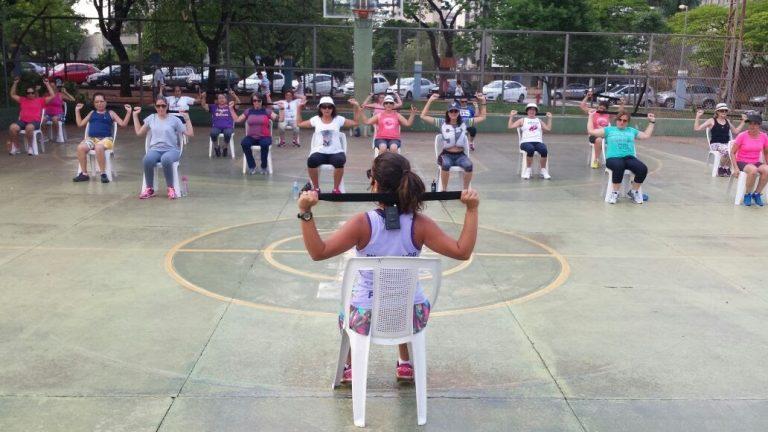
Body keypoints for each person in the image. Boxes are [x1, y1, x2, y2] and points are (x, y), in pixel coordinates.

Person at [296, 152, 479, 383]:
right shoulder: (421, 224)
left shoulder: (362, 223)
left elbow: (318, 252)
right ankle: (405, 363)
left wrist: (305, 212)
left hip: (365, 317)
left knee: (356, 303)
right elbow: (462, 251)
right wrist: (472, 209)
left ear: (376, 184)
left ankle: (351, 366)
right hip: (412, 316)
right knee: (399, 296)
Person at [420, 92, 488, 191]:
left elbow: (483, 117)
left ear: (459, 112)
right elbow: (423, 116)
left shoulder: (465, 122)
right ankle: (444, 190)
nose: (453, 113)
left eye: (456, 111)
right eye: (451, 111)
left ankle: (465, 190)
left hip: (460, 155)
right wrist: (430, 100)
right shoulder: (442, 122)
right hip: (446, 154)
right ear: (448, 112)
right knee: (446, 165)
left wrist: (483, 102)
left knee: (469, 165)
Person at [587, 109, 656, 204]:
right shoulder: (609, 130)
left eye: (625, 120)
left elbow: (646, 135)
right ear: (616, 120)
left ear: (628, 122)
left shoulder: (631, 131)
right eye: (620, 119)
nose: (622, 122)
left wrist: (652, 122)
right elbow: (591, 131)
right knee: (619, 166)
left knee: (642, 169)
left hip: (629, 157)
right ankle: (615, 193)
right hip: (613, 158)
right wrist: (590, 116)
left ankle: (633, 191)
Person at [133, 96, 194, 199]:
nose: (161, 108)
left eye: (163, 106)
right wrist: (135, 116)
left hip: (171, 150)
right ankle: (149, 189)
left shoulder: (174, 119)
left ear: (167, 106)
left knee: (166, 159)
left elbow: (190, 133)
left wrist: (187, 119)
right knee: (147, 160)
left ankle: (171, 188)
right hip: (155, 149)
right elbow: (139, 132)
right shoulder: (151, 118)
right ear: (155, 107)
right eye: (158, 106)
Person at [297, 96, 361, 193]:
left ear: (333, 108)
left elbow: (356, 123)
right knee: (311, 161)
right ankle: (316, 188)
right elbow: (299, 124)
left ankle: (336, 188)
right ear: (320, 108)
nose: (327, 109)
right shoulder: (316, 119)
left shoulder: (338, 119)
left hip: (335, 151)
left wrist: (356, 107)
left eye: (329, 107)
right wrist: (298, 108)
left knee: (340, 161)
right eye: (324, 107)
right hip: (320, 151)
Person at [72, 94, 132, 183]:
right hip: (92, 139)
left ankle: (103, 173)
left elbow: (123, 124)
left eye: (101, 101)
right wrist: (77, 111)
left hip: (106, 139)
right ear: (94, 103)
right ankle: (84, 174)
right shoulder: (92, 113)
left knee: (99, 147)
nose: (99, 104)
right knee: (80, 147)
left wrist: (129, 112)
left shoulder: (111, 113)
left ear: (105, 102)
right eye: (96, 102)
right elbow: (80, 124)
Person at [694, 103, 746, 177]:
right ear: (717, 112)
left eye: (725, 111)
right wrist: (697, 116)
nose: (724, 112)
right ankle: (721, 168)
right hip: (715, 144)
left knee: (735, 150)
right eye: (721, 111)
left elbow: (736, 131)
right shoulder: (711, 120)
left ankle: (726, 168)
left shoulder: (727, 121)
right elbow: (697, 128)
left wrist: (743, 121)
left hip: (726, 144)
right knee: (729, 151)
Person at [7, 77, 56, 155]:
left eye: (32, 92)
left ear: (35, 93)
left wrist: (47, 84)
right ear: (26, 94)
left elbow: (53, 96)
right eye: (28, 93)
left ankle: (30, 147)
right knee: (12, 127)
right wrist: (15, 83)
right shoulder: (23, 100)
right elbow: (12, 94)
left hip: (35, 122)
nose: (30, 94)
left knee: (29, 127)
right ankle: (16, 147)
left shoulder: (40, 100)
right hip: (23, 121)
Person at [232, 94, 278, 175]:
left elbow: (279, 119)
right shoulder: (248, 111)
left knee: (264, 144)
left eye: (259, 100)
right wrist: (231, 109)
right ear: (252, 102)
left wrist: (282, 109)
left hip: (264, 137)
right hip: (251, 137)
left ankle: (264, 167)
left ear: (262, 101)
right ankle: (251, 166)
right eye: (254, 101)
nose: (256, 102)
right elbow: (237, 120)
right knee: (244, 143)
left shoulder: (267, 111)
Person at [730, 114, 768, 206]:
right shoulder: (742, 136)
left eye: (754, 124)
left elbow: (766, 152)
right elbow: (732, 152)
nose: (751, 126)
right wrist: (735, 168)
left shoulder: (764, 136)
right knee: (753, 170)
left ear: (759, 125)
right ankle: (747, 195)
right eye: (750, 124)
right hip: (742, 162)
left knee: (766, 170)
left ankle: (756, 194)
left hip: (755, 161)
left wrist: (767, 164)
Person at [580, 91, 624, 169]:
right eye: (600, 108)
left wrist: (622, 104)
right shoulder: (593, 112)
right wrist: (587, 97)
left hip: (605, 135)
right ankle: (596, 160)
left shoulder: (608, 114)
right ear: (598, 107)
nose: (601, 110)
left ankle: (615, 161)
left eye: (603, 109)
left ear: (606, 109)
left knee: (617, 139)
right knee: (599, 140)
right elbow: (582, 106)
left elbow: (619, 113)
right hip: (594, 135)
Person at [508, 103, 553, 180]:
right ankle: (528, 170)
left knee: (544, 149)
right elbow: (510, 126)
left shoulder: (539, 120)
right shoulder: (522, 120)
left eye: (533, 110)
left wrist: (550, 118)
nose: (532, 111)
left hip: (538, 142)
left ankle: (543, 170)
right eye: (530, 110)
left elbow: (548, 128)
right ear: (527, 111)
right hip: (525, 142)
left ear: (536, 112)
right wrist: (511, 116)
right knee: (530, 149)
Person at [200, 89, 241, 157]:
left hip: (228, 127)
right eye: (220, 98)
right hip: (216, 127)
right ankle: (216, 147)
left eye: (223, 98)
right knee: (213, 133)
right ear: (217, 100)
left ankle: (225, 147)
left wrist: (234, 95)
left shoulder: (230, 106)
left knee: (228, 133)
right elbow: (204, 105)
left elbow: (238, 103)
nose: (221, 99)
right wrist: (203, 97)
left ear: (226, 99)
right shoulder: (213, 107)